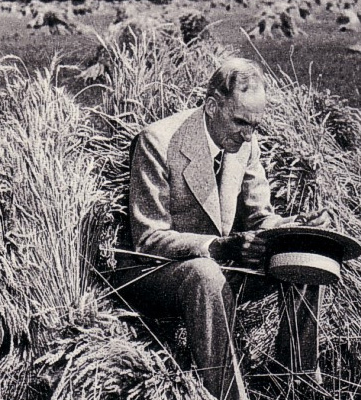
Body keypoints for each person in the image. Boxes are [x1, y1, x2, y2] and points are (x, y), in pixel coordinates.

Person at [118, 58, 331, 400]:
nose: (247, 134)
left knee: (304, 253)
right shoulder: (157, 142)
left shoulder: (245, 143)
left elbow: (260, 217)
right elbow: (148, 239)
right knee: (204, 273)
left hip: (221, 265)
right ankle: (226, 394)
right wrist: (218, 247)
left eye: (254, 126)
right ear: (212, 106)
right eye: (240, 122)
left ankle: (296, 378)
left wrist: (295, 229)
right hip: (156, 276)